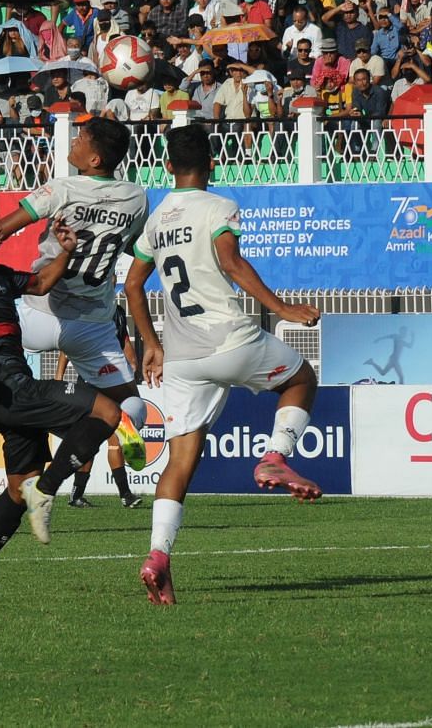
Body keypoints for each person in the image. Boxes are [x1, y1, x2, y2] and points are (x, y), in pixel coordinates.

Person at [123, 124, 323, 606]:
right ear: (212, 165)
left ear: (167, 166)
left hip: (183, 358)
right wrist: (281, 308)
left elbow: (132, 285)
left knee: (179, 462)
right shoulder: (218, 207)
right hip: (229, 340)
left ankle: (158, 557)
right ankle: (276, 454)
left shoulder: (156, 221)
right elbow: (231, 262)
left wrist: (151, 344)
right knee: (301, 378)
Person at [0, 191, 124, 599]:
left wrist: (66, 252)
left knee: (18, 489)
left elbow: (39, 282)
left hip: (8, 397)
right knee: (106, 410)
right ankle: (49, 488)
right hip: (15, 389)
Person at [0, 117, 151, 510]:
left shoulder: (61, 188)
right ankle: (102, 433)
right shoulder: (136, 197)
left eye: (81, 138)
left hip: (40, 313)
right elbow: (133, 249)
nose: (74, 141)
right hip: (93, 325)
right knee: (133, 406)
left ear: (94, 158)